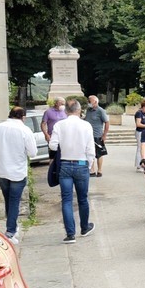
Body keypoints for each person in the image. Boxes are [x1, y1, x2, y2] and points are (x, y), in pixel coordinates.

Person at [0, 107, 39, 243]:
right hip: (17, 172)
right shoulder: (25, 130)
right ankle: (10, 231)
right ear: (23, 117)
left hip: (2, 170)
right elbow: (32, 153)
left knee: (9, 199)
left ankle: (12, 226)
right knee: (14, 201)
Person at [48, 100, 96, 243]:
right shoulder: (86, 125)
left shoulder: (59, 125)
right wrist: (89, 165)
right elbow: (90, 149)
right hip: (81, 163)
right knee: (82, 199)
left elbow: (53, 146)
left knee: (67, 200)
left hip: (65, 164)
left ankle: (70, 234)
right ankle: (84, 226)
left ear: (66, 111)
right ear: (79, 110)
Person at [83, 95, 110, 177]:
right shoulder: (88, 110)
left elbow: (107, 122)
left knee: (99, 153)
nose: (88, 103)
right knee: (90, 153)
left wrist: (104, 135)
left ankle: (100, 170)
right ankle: (92, 170)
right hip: (88, 135)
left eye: (90, 101)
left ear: (95, 102)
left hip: (97, 135)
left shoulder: (101, 111)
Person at [41, 97, 67, 168]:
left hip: (65, 137)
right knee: (53, 155)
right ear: (56, 103)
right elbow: (43, 123)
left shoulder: (65, 111)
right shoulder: (48, 112)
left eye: (63, 103)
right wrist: (46, 134)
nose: (62, 105)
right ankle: (52, 171)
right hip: (52, 136)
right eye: (61, 103)